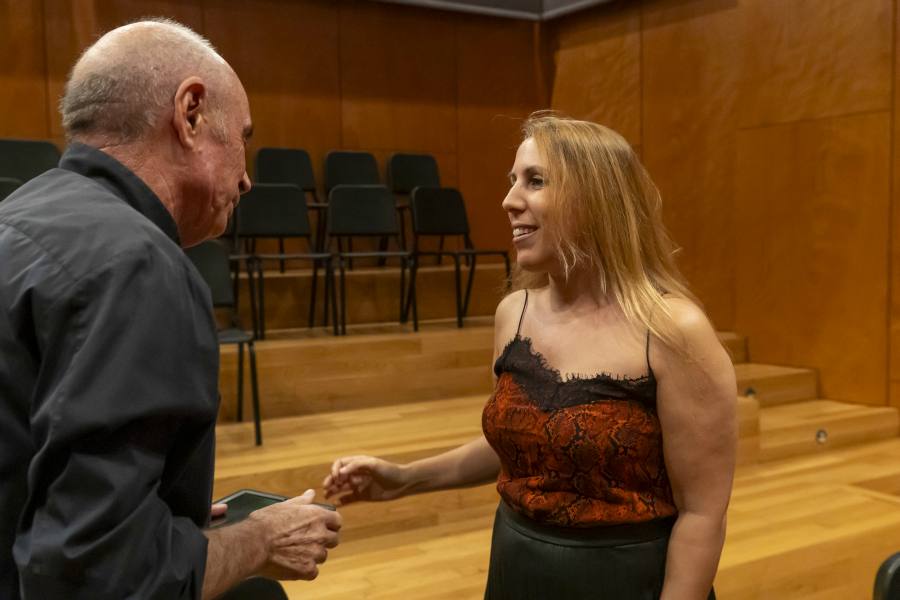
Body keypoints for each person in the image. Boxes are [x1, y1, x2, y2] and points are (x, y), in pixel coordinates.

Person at [324, 113, 736, 599]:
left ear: (596, 199)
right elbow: (527, 444)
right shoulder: (513, 313)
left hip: (626, 581)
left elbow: (702, 514)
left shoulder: (673, 330)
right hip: (517, 571)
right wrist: (404, 479)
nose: (509, 200)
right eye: (513, 180)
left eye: (535, 181)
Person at [0, 19, 341, 600]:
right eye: (243, 137)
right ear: (191, 113)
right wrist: (259, 541)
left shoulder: (17, 213)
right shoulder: (136, 265)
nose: (247, 179)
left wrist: (155, 511)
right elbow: (101, 576)